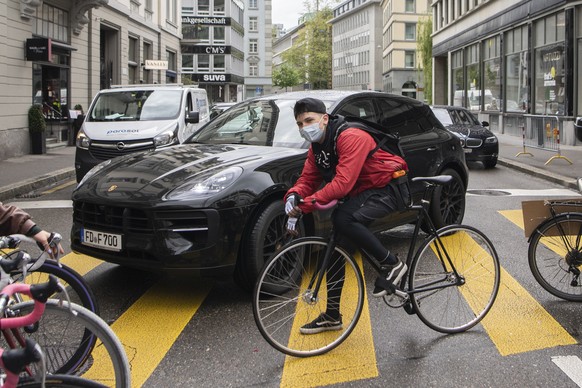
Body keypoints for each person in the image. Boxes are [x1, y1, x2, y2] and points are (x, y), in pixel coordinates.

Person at [285, 97, 410, 334]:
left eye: (309, 120)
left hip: (388, 188)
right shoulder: (317, 147)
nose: (304, 127)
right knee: (335, 250)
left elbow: (342, 184)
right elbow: (308, 179)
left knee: (343, 218)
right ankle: (332, 315)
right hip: (363, 192)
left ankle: (392, 264)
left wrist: (307, 204)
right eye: (300, 124)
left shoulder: (350, 136)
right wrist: (293, 195)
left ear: (324, 118)